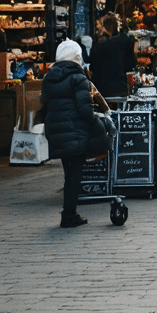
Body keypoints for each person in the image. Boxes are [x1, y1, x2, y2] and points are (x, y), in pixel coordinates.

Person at [40, 39, 100, 228]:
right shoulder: (79, 78)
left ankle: (69, 212)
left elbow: (44, 101)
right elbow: (84, 108)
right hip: (75, 130)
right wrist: (94, 120)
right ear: (77, 57)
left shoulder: (49, 78)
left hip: (56, 131)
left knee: (69, 173)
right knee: (75, 174)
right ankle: (69, 214)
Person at [88, 13, 135, 99]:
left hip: (101, 90)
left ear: (104, 27)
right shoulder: (126, 42)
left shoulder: (98, 46)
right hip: (120, 88)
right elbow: (130, 65)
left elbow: (92, 67)